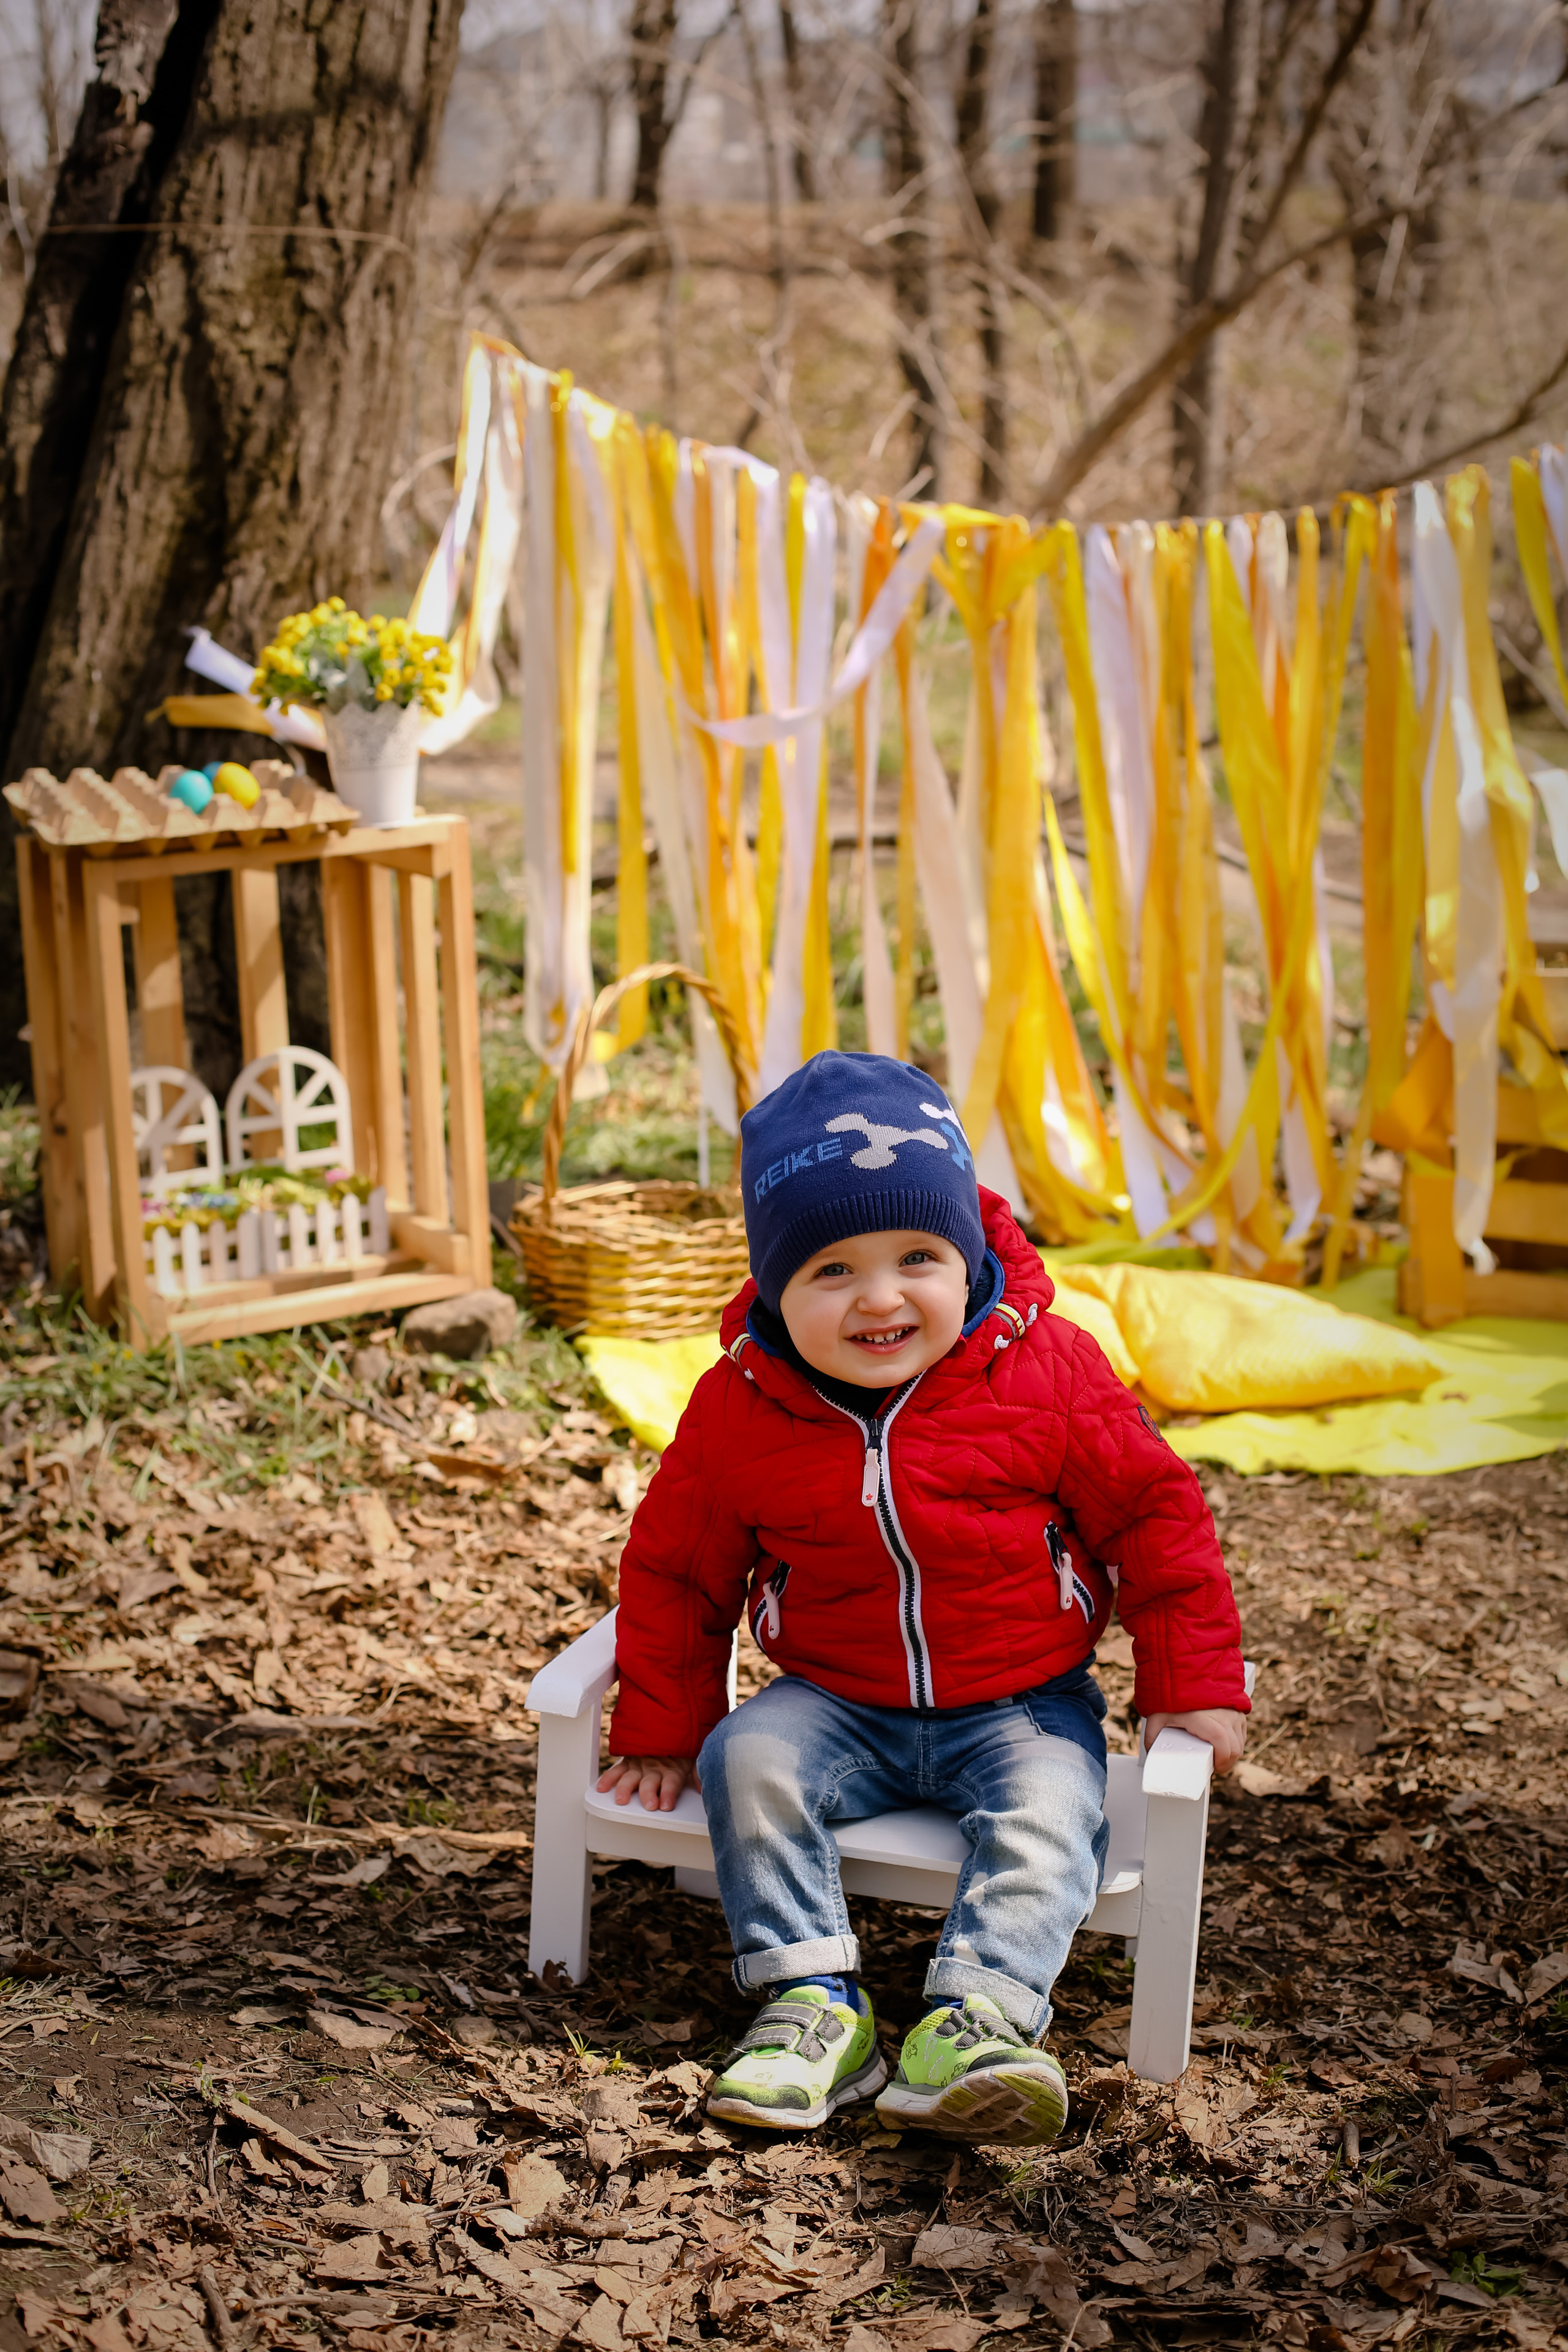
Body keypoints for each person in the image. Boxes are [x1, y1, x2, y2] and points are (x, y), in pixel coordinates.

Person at [598, 1052, 1248, 2146]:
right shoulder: (739, 1408)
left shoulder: (1047, 1370)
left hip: (1020, 1698)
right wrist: (664, 1725)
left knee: (1051, 1815)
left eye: (917, 1257)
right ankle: (811, 2005)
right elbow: (678, 1572)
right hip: (835, 1696)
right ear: (773, 1285)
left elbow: (1155, 1519)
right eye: (833, 1271)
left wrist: (1194, 1686)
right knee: (746, 1762)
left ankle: (978, 2021)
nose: (882, 1297)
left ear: (970, 1252)